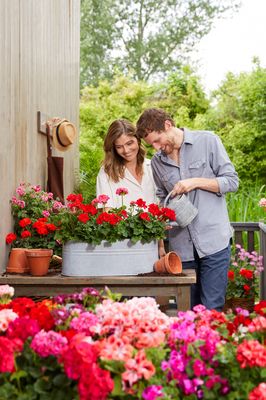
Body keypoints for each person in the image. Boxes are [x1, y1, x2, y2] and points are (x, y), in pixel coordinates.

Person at [136, 108, 239, 311]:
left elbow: (232, 181)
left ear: (167, 125)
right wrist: (161, 218)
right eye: (152, 144)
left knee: (211, 310)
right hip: (182, 250)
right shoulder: (158, 161)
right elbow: (160, 195)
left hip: (213, 243)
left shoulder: (208, 141)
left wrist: (195, 182)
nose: (156, 147)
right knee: (188, 312)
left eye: (158, 140)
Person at [96, 119, 166, 258]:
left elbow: (159, 208)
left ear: (138, 140)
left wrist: (161, 246)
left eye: (129, 143)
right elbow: (107, 212)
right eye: (119, 146)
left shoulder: (152, 167)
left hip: (151, 245)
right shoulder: (106, 172)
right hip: (121, 245)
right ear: (113, 148)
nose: (126, 150)